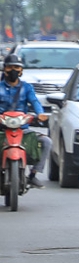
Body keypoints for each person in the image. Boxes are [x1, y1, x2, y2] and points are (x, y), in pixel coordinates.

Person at [0, 53, 47, 187]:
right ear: (4, 69)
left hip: (22, 129)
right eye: (10, 67)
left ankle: (33, 174)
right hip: (2, 129)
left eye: (16, 67)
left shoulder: (27, 88)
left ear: (21, 71)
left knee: (46, 142)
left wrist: (40, 114)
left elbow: (35, 102)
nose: (13, 70)